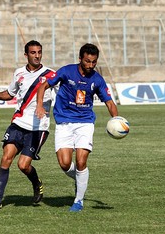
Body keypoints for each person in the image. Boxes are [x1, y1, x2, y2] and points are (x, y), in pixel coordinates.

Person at [35, 43, 118, 212]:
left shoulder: (97, 79)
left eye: (94, 62)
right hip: (64, 122)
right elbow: (44, 86)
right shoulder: (66, 71)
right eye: (88, 61)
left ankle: (78, 201)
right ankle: (80, 179)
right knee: (65, 164)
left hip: (85, 123)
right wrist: (39, 105)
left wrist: (116, 119)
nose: (91, 65)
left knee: (81, 161)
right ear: (80, 59)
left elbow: (109, 101)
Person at [0, 40, 57, 211]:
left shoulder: (51, 74)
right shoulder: (19, 73)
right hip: (18, 122)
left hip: (38, 127)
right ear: (26, 55)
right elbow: (9, 94)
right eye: (33, 52)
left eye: (39, 52)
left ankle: (36, 182)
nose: (37, 55)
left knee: (23, 165)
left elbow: (64, 93)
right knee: (6, 157)